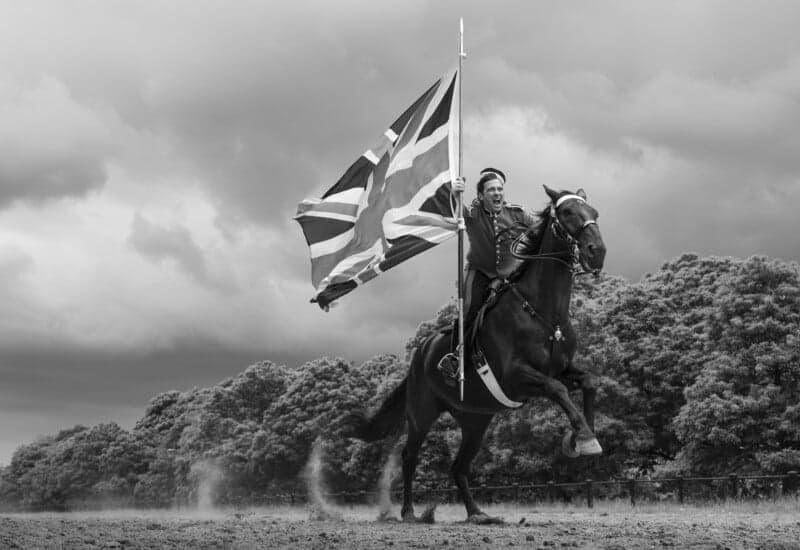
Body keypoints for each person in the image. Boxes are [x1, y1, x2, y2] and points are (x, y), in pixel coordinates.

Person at [438, 167, 538, 378]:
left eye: (499, 189)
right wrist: (455, 193)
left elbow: (540, 231)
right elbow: (457, 214)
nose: (497, 193)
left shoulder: (517, 214)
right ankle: (455, 358)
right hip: (480, 273)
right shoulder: (473, 214)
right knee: (467, 309)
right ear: (481, 195)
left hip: (510, 277)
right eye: (491, 190)